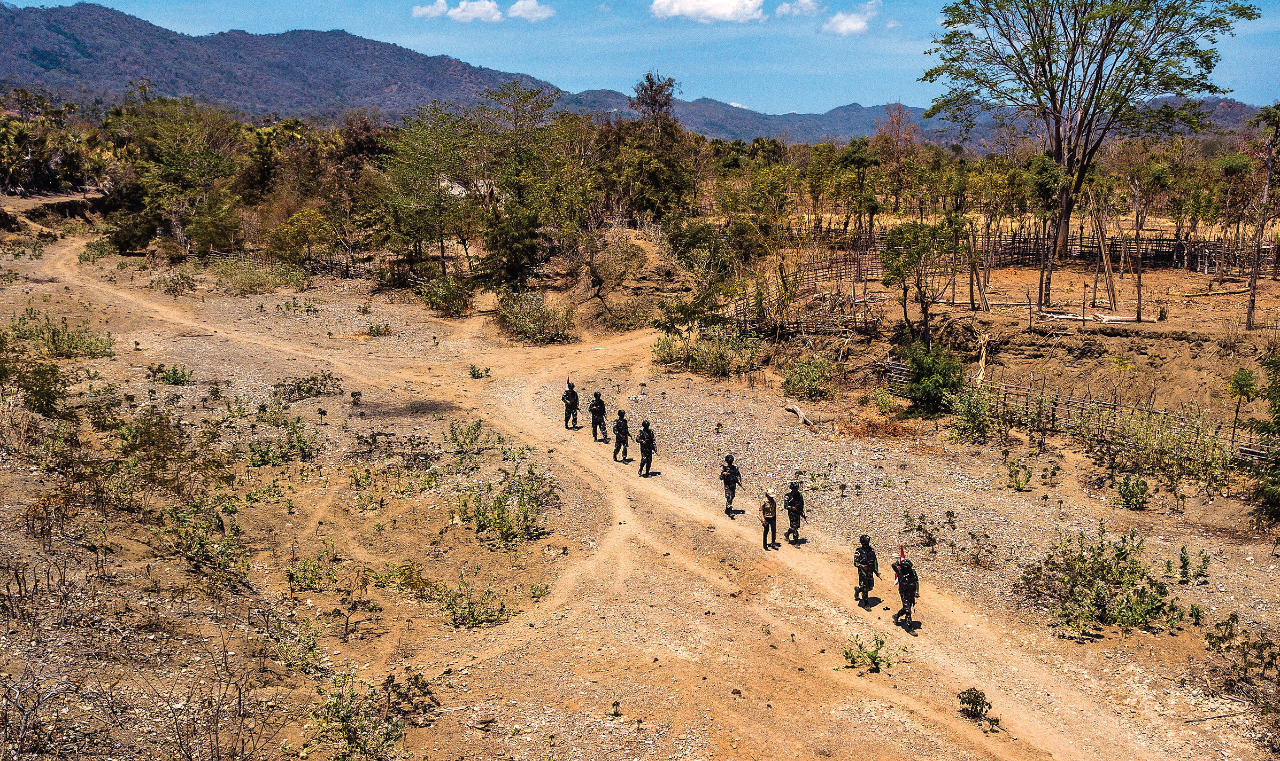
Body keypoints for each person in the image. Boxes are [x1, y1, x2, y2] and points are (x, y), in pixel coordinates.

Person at [891, 557, 919, 627]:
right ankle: (909, 626)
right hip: (904, 593)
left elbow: (916, 582)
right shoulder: (900, 572)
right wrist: (898, 563)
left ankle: (897, 616)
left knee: (906, 607)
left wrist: (917, 591)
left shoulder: (913, 572)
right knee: (907, 609)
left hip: (911, 592)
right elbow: (893, 565)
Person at [853, 535, 880, 608]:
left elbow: (875, 561)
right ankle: (866, 604)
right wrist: (862, 566)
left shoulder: (871, 550)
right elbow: (855, 563)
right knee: (865, 587)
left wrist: (876, 571)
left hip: (870, 571)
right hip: (863, 572)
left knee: (870, 587)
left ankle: (858, 590)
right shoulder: (858, 551)